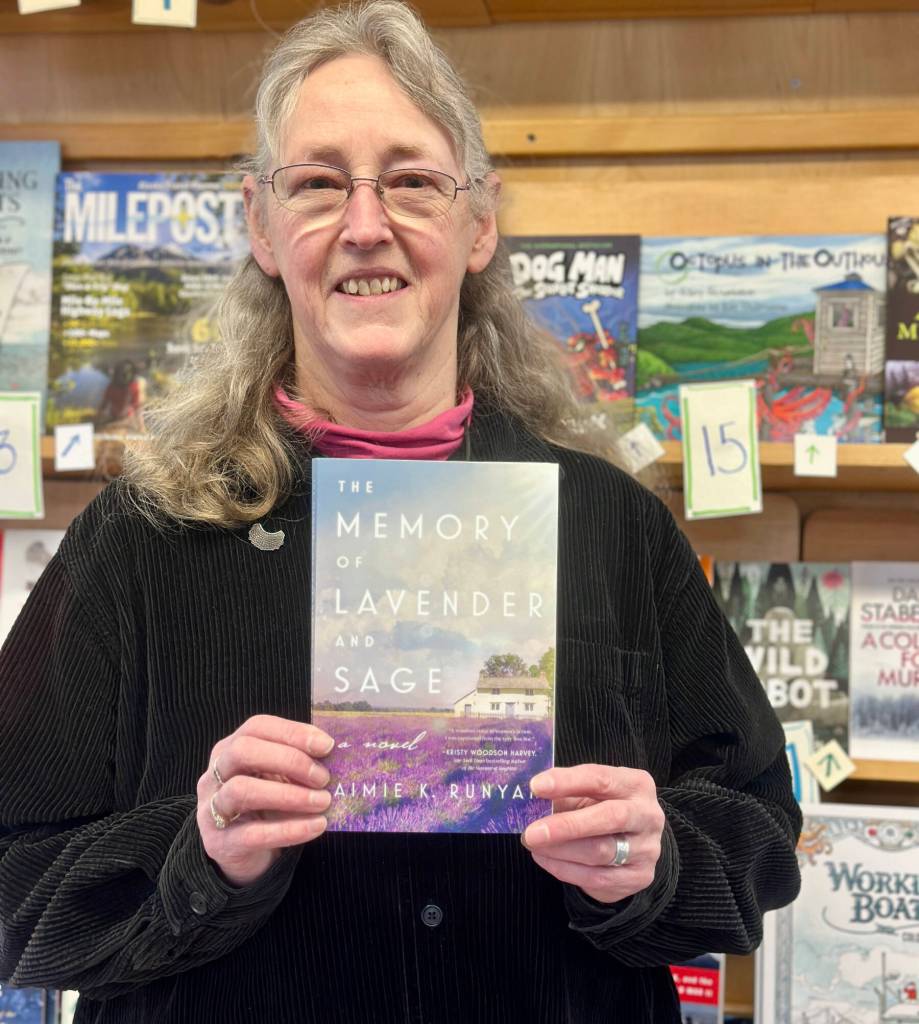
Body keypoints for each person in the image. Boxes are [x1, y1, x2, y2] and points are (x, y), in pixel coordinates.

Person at [0, 3, 801, 1021]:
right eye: (318, 183)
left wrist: (655, 859)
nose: (366, 224)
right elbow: (15, 891)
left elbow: (760, 835)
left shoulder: (610, 526)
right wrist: (195, 855)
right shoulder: (140, 538)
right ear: (261, 226)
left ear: (479, 223)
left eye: (413, 181)